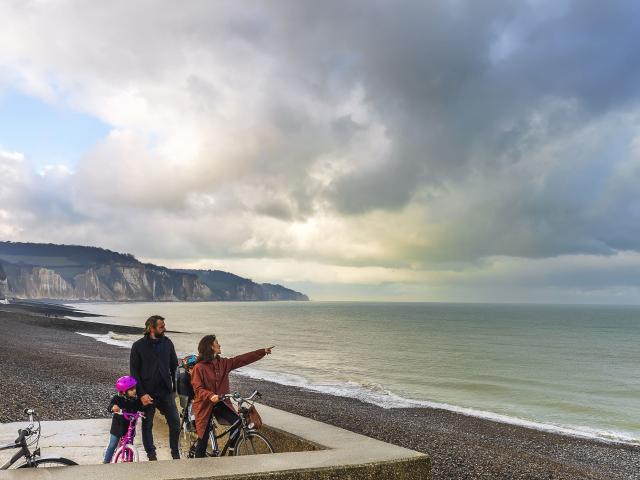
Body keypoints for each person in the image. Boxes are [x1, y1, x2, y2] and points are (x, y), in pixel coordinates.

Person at [190, 335, 274, 458]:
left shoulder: (223, 363)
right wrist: (210, 395)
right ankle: (197, 466)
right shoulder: (199, 367)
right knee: (203, 437)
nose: (219, 345)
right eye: (217, 343)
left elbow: (241, 359)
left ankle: (231, 451)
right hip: (205, 405)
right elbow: (198, 389)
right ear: (211, 347)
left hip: (221, 403)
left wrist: (262, 352)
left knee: (237, 422)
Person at [130, 315, 180, 460]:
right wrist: (142, 394)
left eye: (164, 325)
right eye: (161, 326)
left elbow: (174, 366)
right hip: (147, 393)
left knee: (175, 424)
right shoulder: (138, 346)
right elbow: (134, 372)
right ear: (151, 328)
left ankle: (175, 453)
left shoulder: (168, 343)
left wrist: (175, 389)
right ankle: (151, 455)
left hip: (166, 392)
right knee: (147, 426)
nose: (165, 328)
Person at [104, 375, 144, 463]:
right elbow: (110, 407)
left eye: (134, 388)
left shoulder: (136, 400)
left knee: (130, 444)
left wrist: (143, 410)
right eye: (131, 389)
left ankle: (129, 460)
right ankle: (105, 462)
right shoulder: (117, 399)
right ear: (123, 392)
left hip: (130, 427)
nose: (134, 391)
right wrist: (113, 407)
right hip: (118, 427)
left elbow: (141, 408)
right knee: (112, 445)